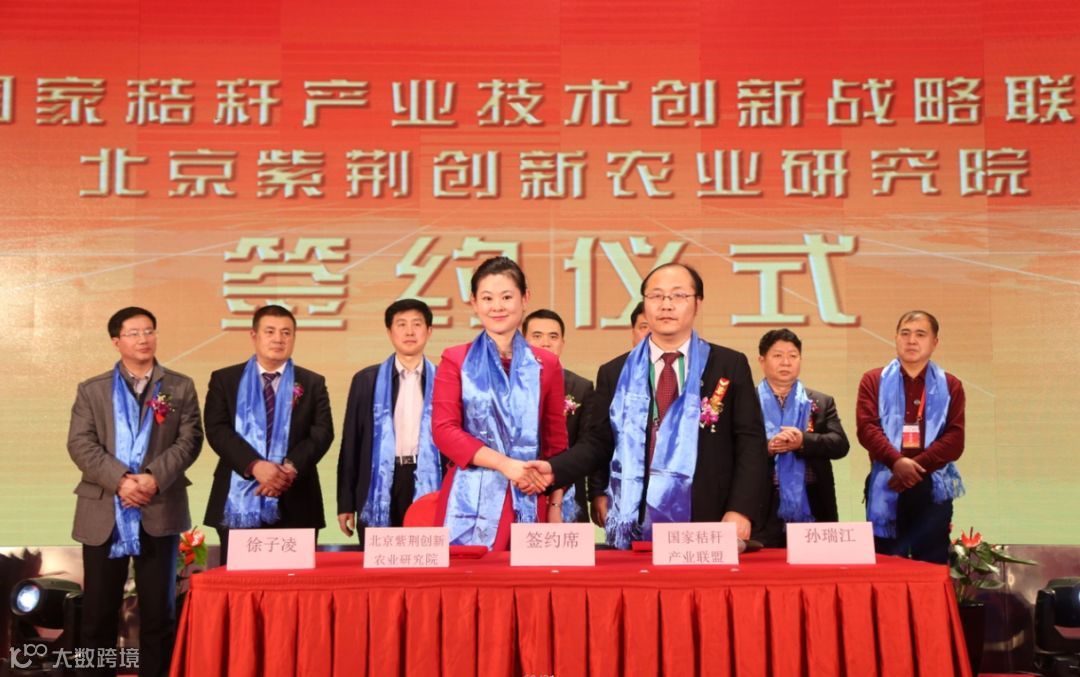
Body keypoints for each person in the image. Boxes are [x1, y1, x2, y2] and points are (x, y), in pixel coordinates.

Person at [527, 263, 769, 548]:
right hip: (635, 518)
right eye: (656, 296)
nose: (666, 305)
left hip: (709, 516)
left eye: (678, 295)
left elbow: (750, 443)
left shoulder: (728, 365)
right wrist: (554, 469)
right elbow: (597, 443)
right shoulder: (615, 372)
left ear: (697, 303)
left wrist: (741, 509)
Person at [67, 307, 203, 677]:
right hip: (103, 513)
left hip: (159, 508)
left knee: (160, 615)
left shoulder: (179, 386)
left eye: (149, 331)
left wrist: (153, 478)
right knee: (97, 615)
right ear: (116, 341)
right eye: (133, 333)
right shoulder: (92, 390)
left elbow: (190, 440)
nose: (143, 339)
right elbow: (80, 444)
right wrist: (122, 480)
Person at [432, 256, 568, 550]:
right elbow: (444, 431)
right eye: (487, 298)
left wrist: (556, 503)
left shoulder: (547, 364)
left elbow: (556, 443)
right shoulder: (455, 359)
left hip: (530, 492)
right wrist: (506, 465)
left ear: (525, 298)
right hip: (468, 496)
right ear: (474, 302)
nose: (497, 306)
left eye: (506, 297)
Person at [203, 305, 334, 565]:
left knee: (294, 583)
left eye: (286, 333)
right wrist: (254, 466)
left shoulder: (312, 382)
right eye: (270, 331)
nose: (278, 339)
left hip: (296, 498)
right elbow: (217, 430)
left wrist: (288, 470)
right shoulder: (225, 379)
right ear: (254, 335)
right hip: (237, 501)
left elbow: (322, 433)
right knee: (239, 584)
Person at [858, 310, 965, 563]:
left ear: (934, 342)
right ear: (896, 338)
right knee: (885, 562)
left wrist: (913, 468)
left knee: (931, 563)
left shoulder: (951, 385)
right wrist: (896, 462)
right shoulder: (873, 380)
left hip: (932, 485)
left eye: (920, 334)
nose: (911, 340)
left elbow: (955, 439)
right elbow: (867, 429)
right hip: (886, 480)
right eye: (905, 333)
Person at [337, 299, 443, 545]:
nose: (409, 332)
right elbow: (351, 443)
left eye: (417, 324)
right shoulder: (366, 380)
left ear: (429, 331)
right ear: (389, 332)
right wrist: (346, 503)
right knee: (380, 559)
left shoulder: (445, 379)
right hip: (378, 481)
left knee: (427, 557)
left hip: (429, 480)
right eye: (401, 324)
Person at [751, 328, 849, 548]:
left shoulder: (820, 402)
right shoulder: (747, 400)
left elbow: (840, 445)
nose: (786, 362)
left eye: (793, 356)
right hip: (762, 502)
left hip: (812, 501)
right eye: (778, 355)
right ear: (762, 360)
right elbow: (731, 448)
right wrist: (767, 448)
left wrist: (803, 441)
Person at [524, 308, 594, 523]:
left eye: (553, 337)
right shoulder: (506, 386)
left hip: (567, 496)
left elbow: (588, 447)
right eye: (537, 336)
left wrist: (557, 499)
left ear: (562, 343)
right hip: (519, 491)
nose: (545, 343)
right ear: (522, 342)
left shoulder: (581, 387)